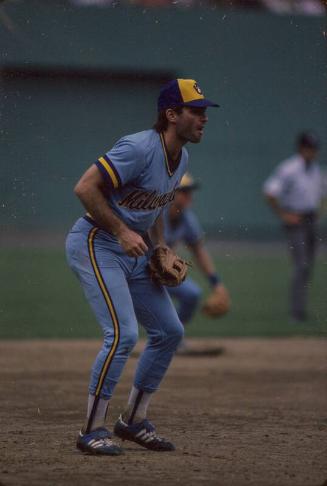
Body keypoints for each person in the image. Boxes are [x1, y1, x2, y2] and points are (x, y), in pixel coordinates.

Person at [65, 78, 219, 455]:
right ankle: (91, 430)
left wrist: (160, 246)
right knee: (122, 335)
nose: (203, 119)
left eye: (204, 113)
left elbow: (156, 206)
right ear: (171, 114)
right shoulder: (138, 147)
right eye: (196, 112)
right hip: (97, 244)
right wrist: (119, 230)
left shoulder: (182, 157)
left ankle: (132, 421)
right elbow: (84, 188)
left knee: (169, 331)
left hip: (134, 251)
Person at [163, 172, 230, 353]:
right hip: (136, 271)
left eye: (190, 191)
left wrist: (216, 284)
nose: (189, 196)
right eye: (184, 191)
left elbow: (198, 251)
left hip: (160, 272)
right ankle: (162, 338)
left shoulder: (186, 218)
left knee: (192, 294)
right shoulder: (155, 213)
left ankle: (170, 339)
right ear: (170, 193)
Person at [263, 131, 324, 322]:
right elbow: (270, 192)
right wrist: (283, 214)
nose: (311, 152)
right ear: (300, 148)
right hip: (296, 220)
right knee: (301, 265)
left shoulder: (316, 170)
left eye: (314, 148)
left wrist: (319, 213)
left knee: (308, 266)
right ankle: (297, 312)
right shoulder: (289, 168)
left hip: (311, 219)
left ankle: (301, 310)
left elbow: (322, 194)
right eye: (308, 148)